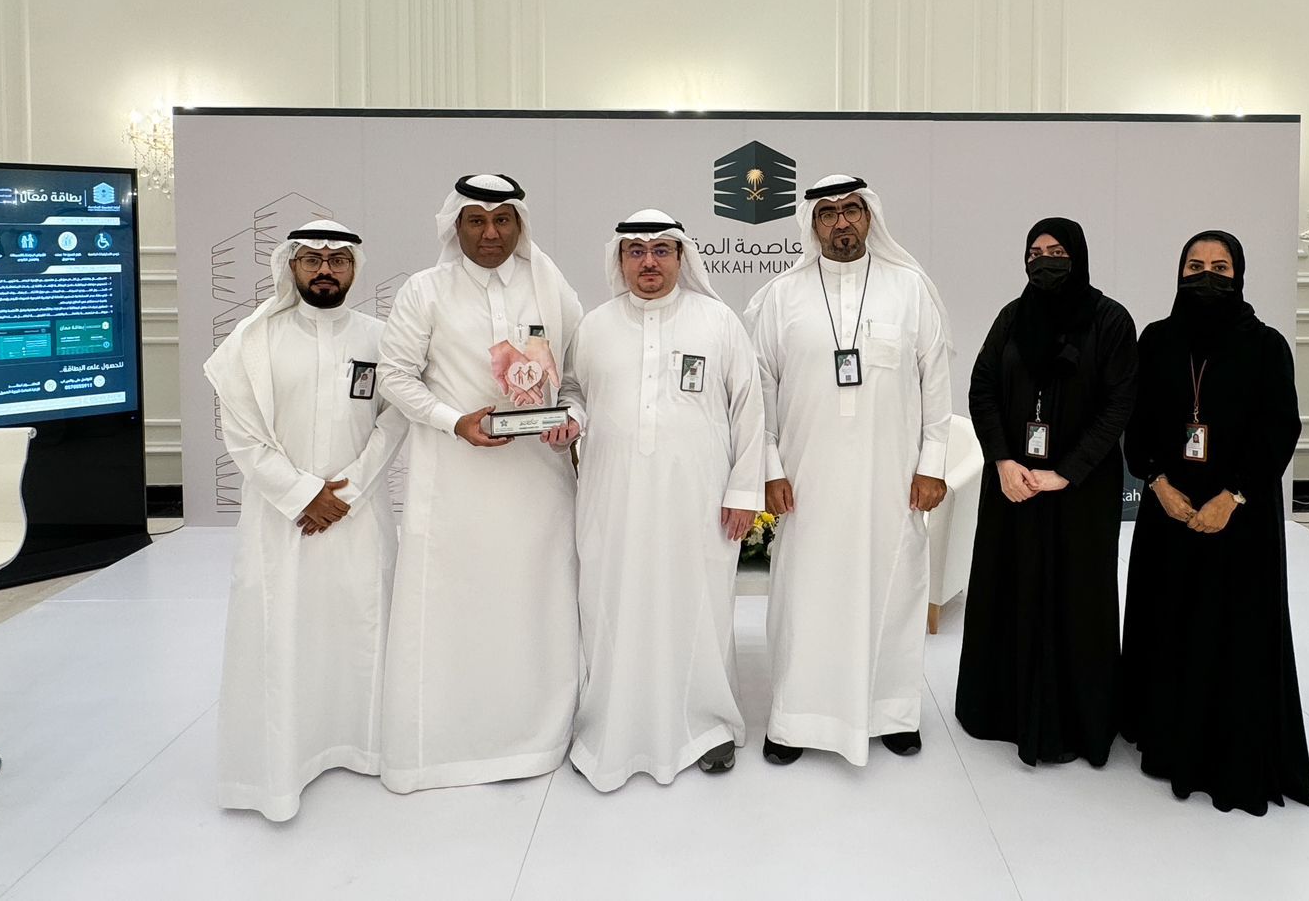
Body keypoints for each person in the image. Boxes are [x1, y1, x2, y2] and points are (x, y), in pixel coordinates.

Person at [375, 174, 583, 791]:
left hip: (537, 485)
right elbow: (395, 376)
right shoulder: (425, 290)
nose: (490, 233)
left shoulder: (551, 287)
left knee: (533, 603)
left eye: (502, 219)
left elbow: (576, 380)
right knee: (455, 607)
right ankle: (445, 743)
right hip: (455, 482)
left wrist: (570, 421)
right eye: (476, 220)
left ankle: (539, 736)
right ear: (455, 226)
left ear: (519, 225)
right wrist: (454, 421)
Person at [550, 209, 765, 791]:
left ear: (681, 257)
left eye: (661, 250)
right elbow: (574, 391)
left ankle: (707, 723)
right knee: (611, 604)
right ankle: (607, 726)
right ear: (619, 259)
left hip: (697, 499)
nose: (649, 262)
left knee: (699, 606)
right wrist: (569, 418)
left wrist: (744, 491)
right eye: (636, 251)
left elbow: (749, 409)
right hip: (612, 498)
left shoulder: (717, 321)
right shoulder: (595, 326)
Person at [204, 220, 409, 822]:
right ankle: (281, 763)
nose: (325, 269)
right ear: (290, 266)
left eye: (337, 259)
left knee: (361, 626)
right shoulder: (253, 341)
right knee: (282, 630)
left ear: (354, 268)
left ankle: (364, 745)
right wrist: (301, 494)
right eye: (312, 259)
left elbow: (395, 418)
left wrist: (349, 490)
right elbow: (241, 433)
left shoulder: (380, 338)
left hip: (358, 515)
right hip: (280, 520)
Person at [745, 174, 951, 765]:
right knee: (805, 597)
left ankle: (892, 713)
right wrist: (770, 469)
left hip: (893, 482)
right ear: (811, 224)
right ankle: (795, 718)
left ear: (869, 217)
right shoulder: (781, 297)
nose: (841, 222)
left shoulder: (909, 290)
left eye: (852, 210)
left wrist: (932, 464)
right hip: (807, 484)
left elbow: (936, 384)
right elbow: (761, 392)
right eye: (828, 212)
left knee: (894, 590)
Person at [1118, 230, 1309, 815]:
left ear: (1239, 275)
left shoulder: (1266, 345)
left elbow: (1280, 429)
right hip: (1169, 511)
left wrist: (1232, 497)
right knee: (1169, 620)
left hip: (1240, 521)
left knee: (1231, 631)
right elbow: (1138, 422)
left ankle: (1223, 751)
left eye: (1220, 267)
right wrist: (1157, 483)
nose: (1207, 275)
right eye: (1195, 265)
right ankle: (1165, 736)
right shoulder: (1156, 340)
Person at [955, 218, 1138, 766]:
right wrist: (1002, 460)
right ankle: (1003, 712)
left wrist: (1067, 472)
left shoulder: (1110, 320)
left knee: (1077, 596)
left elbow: (1119, 404)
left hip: (1081, 491)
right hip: (1013, 486)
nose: (1044, 261)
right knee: (1009, 587)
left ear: (1077, 255)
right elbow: (982, 387)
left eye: (1056, 251)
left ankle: (1077, 722)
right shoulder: (1013, 317)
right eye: (1034, 253)